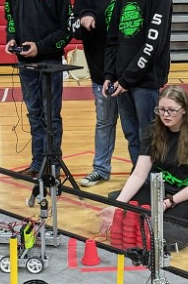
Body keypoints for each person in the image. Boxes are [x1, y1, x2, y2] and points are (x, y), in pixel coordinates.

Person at [99, 86, 188, 250]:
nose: (166, 115)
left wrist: (168, 203)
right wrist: (116, 206)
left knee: (167, 234)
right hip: (161, 189)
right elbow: (139, 174)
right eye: (161, 110)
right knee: (119, 206)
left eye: (172, 110)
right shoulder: (153, 130)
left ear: (184, 110)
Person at [5, 0, 71, 179]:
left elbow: (67, 30)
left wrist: (40, 47)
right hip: (24, 63)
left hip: (50, 62)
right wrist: (11, 38)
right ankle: (37, 164)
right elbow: (10, 18)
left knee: (51, 116)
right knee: (34, 115)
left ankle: (53, 167)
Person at [103, 0, 172, 169]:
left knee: (148, 135)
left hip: (146, 80)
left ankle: (151, 184)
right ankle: (139, 180)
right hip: (121, 80)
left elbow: (153, 44)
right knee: (131, 134)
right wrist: (109, 74)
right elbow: (112, 39)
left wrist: (128, 78)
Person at [69, 0, 118, 187]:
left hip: (131, 74)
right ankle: (101, 169)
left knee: (138, 128)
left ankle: (143, 174)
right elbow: (73, 29)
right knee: (104, 122)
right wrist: (83, 19)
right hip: (101, 73)